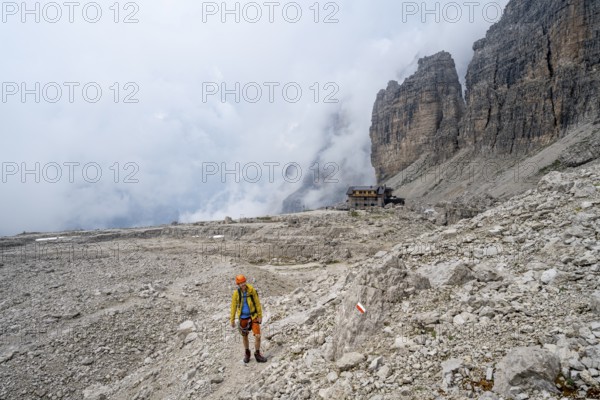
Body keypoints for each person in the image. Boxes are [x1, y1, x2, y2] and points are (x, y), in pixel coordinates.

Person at [230, 274, 267, 363]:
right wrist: (232, 319)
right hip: (243, 318)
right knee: (245, 336)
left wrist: (260, 315)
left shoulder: (251, 290)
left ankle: (257, 354)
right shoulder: (236, 293)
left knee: (258, 336)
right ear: (238, 284)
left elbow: (257, 303)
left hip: (253, 316)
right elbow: (233, 307)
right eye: (241, 283)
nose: (243, 284)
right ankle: (247, 353)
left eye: (244, 282)